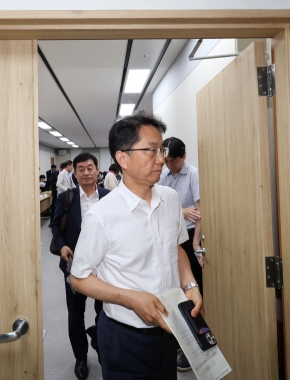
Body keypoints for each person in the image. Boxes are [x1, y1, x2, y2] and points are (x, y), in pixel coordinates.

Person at [71, 111, 203, 380]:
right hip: (124, 337)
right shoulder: (101, 215)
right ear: (123, 158)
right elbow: (79, 278)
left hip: (169, 328)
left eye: (162, 149)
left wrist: (190, 284)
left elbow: (176, 248)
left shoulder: (170, 199)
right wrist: (131, 298)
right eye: (151, 149)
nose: (161, 158)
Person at [50, 153, 110, 380]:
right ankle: (81, 357)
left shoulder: (108, 196)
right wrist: (63, 246)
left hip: (104, 267)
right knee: (75, 313)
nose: (86, 172)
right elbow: (55, 227)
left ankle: (101, 345)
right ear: (74, 173)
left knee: (104, 311)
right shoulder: (67, 197)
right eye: (81, 169)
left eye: (90, 168)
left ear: (97, 170)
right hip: (74, 265)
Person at [158, 137, 203, 372]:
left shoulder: (193, 174)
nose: (168, 165)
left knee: (191, 294)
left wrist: (196, 244)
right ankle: (179, 342)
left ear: (183, 156)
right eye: (165, 161)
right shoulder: (164, 174)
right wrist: (181, 211)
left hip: (187, 239)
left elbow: (199, 212)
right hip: (169, 238)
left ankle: (195, 347)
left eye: (173, 161)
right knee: (172, 292)